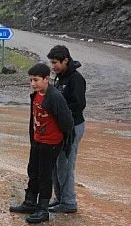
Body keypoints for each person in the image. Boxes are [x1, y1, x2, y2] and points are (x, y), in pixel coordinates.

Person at [9, 63, 74, 223]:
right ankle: (30, 202)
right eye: (31, 80)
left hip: (51, 143)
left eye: (36, 80)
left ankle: (43, 209)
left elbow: (67, 122)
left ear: (47, 79)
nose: (33, 84)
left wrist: (64, 143)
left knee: (45, 175)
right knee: (33, 170)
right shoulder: (36, 95)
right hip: (37, 140)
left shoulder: (55, 97)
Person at [47, 45, 86, 213]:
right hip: (60, 127)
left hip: (72, 127)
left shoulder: (76, 79)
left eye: (55, 62)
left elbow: (79, 105)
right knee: (56, 164)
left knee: (65, 165)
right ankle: (60, 198)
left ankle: (69, 202)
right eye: (51, 62)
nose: (53, 66)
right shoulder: (59, 77)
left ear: (65, 61)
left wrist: (61, 114)